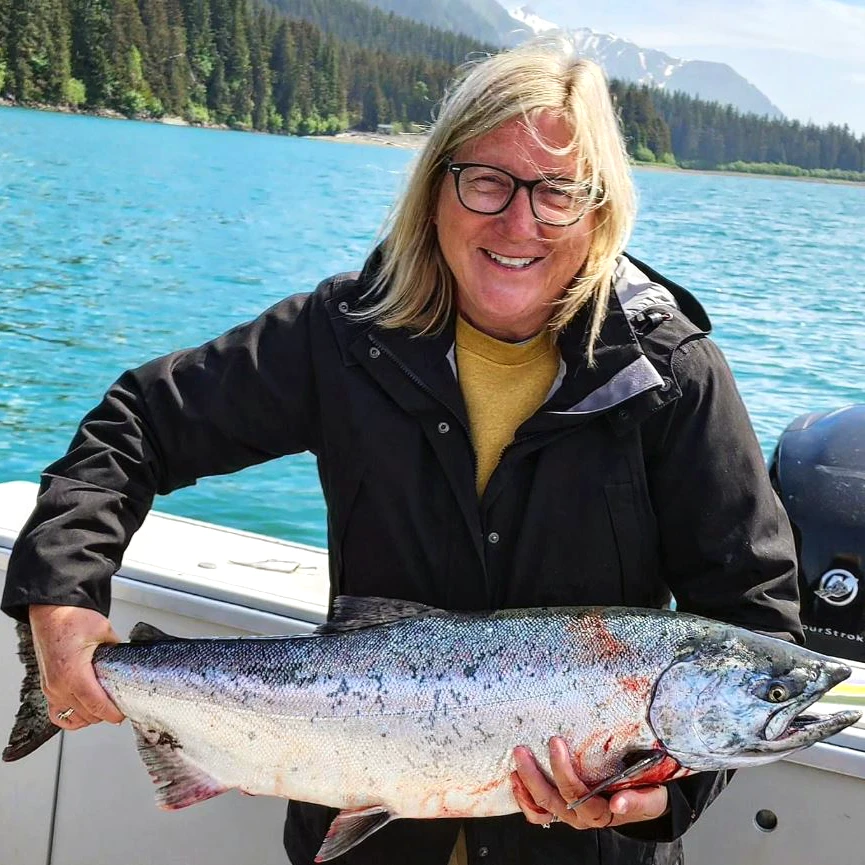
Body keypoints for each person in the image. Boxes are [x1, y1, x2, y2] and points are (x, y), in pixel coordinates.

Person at [2, 33, 801, 865]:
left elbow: (752, 614)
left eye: (557, 191)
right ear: (434, 190)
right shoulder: (343, 335)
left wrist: (661, 796)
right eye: (486, 180)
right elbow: (136, 425)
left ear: (598, 208)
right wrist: (60, 595)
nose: (518, 222)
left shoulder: (669, 373)